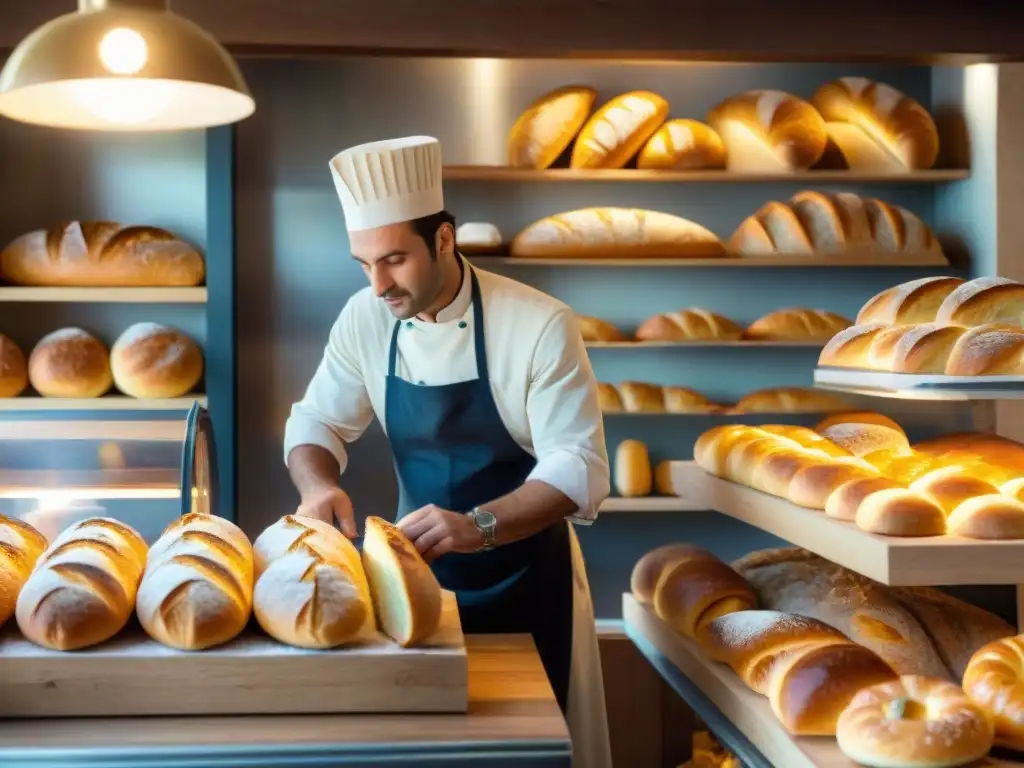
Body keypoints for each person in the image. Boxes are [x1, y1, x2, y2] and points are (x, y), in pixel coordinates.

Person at [283, 135, 612, 768]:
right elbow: (317, 420)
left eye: (394, 260)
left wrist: (477, 525)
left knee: (530, 749)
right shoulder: (365, 317)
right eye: (363, 264)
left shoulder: (539, 323)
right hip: (416, 580)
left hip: (528, 580)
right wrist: (316, 486)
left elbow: (578, 468)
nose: (378, 284)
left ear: (443, 239)